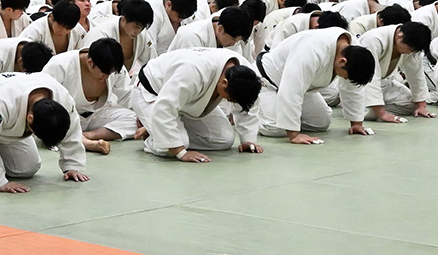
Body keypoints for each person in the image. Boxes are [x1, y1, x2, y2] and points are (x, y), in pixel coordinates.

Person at [0, 72, 90, 193]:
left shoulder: (62, 98)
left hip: (7, 126)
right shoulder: (1, 102)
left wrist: (72, 165)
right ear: (30, 118)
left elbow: (72, 131)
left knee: (27, 169)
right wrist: (0, 183)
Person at [131, 47, 263, 162]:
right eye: (230, 99)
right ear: (224, 83)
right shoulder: (193, 71)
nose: (231, 103)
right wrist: (181, 152)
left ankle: (158, 129)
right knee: (171, 147)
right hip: (151, 91)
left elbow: (248, 106)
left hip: (183, 99)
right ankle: (155, 136)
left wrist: (248, 140)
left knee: (224, 139)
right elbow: (165, 107)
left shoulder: (246, 75)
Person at [255, 27, 376, 143]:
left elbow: (352, 89)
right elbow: (291, 89)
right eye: (345, 75)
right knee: (275, 129)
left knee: (321, 122)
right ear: (342, 61)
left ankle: (281, 114)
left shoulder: (354, 51)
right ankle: (251, 111)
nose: (344, 78)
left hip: (304, 88)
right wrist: (294, 134)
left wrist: (356, 124)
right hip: (266, 80)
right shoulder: (312, 50)